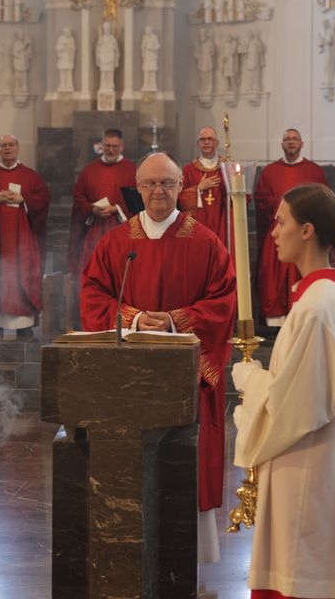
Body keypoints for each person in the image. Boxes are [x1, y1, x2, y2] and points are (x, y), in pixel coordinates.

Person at [79, 153, 236, 563]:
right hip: (128, 377)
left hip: (184, 378)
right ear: (138, 187)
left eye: (167, 183)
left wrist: (173, 321)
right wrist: (131, 317)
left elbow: (223, 301)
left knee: (184, 465)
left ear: (179, 187)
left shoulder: (204, 242)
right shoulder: (117, 242)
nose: (158, 192)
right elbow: (93, 294)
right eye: (149, 184)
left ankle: (187, 555)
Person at [232, 183, 335, 599]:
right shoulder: (321, 297)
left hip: (308, 472)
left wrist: (251, 385)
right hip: (314, 466)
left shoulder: (317, 306)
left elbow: (298, 406)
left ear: (307, 231)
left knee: (303, 575)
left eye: (281, 222)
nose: (274, 233)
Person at [0, 135, 50, 338]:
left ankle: (25, 330)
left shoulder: (30, 177)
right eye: (3, 145)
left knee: (22, 275)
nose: (7, 149)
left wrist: (25, 198)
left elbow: (43, 199)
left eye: (11, 145)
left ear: (18, 148)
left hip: (24, 242)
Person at [253, 129, 328, 326]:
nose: (291, 142)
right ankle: (275, 322)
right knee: (273, 279)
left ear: (302, 144)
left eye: (295, 139)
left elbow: (323, 199)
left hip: (305, 237)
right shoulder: (269, 172)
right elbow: (261, 200)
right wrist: (287, 204)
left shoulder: (314, 171)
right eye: (287, 139)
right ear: (282, 144)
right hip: (277, 235)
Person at [67, 128, 137, 276]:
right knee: (93, 271)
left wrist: (116, 209)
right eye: (107, 146)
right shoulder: (88, 171)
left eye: (115, 146)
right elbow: (79, 198)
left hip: (121, 230)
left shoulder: (132, 170)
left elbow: (139, 201)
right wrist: (92, 209)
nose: (111, 150)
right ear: (101, 146)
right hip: (94, 231)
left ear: (122, 146)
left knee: (117, 271)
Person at [178, 126, 227, 246]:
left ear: (217, 142)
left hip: (222, 222)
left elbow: (240, 198)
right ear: (198, 144)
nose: (206, 142)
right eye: (202, 139)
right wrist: (198, 189)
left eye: (210, 139)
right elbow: (178, 198)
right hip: (198, 223)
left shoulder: (227, 168)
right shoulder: (188, 170)